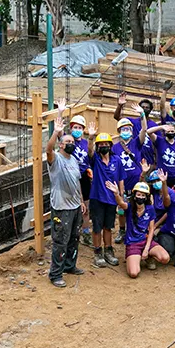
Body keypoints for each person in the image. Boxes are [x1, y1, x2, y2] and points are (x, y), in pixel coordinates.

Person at [46, 117, 86, 287]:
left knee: (74, 238)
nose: (71, 143)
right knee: (60, 241)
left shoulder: (74, 160)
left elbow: (77, 182)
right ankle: (55, 274)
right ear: (61, 145)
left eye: (72, 141)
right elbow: (48, 149)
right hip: (62, 208)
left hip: (76, 206)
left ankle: (70, 266)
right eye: (67, 141)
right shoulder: (56, 160)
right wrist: (56, 132)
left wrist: (82, 201)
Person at [106, 181, 170, 278]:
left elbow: (151, 229)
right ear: (134, 195)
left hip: (145, 240)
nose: (140, 197)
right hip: (133, 243)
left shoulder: (150, 209)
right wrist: (116, 193)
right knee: (133, 273)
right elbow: (121, 203)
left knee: (165, 258)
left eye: (143, 195)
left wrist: (146, 249)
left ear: (146, 197)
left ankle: (148, 257)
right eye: (138, 194)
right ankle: (135, 257)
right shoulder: (129, 207)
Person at [87, 125, 125, 268]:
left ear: (110, 145)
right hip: (97, 198)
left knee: (108, 227)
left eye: (106, 144)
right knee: (97, 227)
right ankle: (97, 252)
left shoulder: (117, 161)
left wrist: (121, 194)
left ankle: (108, 251)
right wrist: (91, 137)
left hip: (112, 199)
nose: (104, 146)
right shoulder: (95, 159)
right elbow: (89, 152)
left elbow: (121, 178)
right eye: (101, 144)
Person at [112, 109, 147, 244]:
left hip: (136, 182)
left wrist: (142, 115)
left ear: (132, 131)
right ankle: (122, 230)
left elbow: (144, 130)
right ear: (119, 131)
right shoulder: (114, 147)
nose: (126, 131)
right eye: (123, 129)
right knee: (121, 208)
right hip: (122, 182)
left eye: (128, 129)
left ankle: (135, 230)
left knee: (136, 207)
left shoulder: (136, 143)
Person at [114, 93, 157, 165]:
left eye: (147, 107)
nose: (144, 109)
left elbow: (157, 143)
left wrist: (156, 162)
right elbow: (117, 117)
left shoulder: (154, 125)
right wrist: (120, 105)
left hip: (149, 159)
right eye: (143, 107)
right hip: (134, 157)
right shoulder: (132, 122)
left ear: (150, 110)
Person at [68, 114, 92, 245]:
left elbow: (91, 154)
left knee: (86, 208)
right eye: (74, 127)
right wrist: (60, 112)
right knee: (73, 207)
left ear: (83, 129)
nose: (77, 129)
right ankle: (73, 233)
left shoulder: (86, 143)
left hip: (84, 177)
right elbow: (60, 134)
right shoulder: (69, 142)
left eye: (79, 127)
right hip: (71, 177)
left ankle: (86, 232)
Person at [148, 123, 175, 187]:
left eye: (172, 131)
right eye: (168, 131)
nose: (170, 133)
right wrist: (161, 127)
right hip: (160, 176)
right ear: (165, 132)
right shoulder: (159, 141)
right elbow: (148, 132)